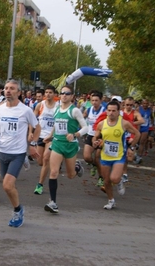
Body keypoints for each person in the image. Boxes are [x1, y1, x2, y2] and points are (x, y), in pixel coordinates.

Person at [0, 79, 40, 227]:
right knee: (8, 186)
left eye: (12, 88)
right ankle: (17, 207)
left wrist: (33, 144)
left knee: (7, 185)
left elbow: (37, 127)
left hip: (17, 153)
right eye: (6, 88)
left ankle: (17, 210)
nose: (8, 90)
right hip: (3, 151)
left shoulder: (25, 110)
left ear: (18, 92)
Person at [43, 85, 88, 214]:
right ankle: (53, 202)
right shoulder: (56, 109)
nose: (64, 95)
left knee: (70, 175)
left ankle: (77, 168)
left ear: (72, 96)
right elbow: (56, 125)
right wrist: (50, 136)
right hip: (57, 143)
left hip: (70, 145)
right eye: (62, 93)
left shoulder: (74, 111)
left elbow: (86, 128)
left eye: (67, 94)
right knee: (53, 172)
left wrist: (75, 134)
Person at [93, 101, 140, 209]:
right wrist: (95, 142)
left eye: (114, 111)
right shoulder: (101, 124)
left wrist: (131, 148)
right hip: (105, 156)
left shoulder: (124, 123)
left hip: (119, 156)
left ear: (119, 112)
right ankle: (111, 201)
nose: (111, 113)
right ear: (106, 111)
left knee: (114, 178)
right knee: (106, 181)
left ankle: (119, 182)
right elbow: (95, 137)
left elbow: (137, 134)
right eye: (109, 110)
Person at [32, 85, 59, 195]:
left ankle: (40, 185)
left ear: (54, 94)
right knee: (40, 162)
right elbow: (32, 119)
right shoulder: (40, 105)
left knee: (46, 158)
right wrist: (30, 132)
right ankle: (53, 164)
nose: (48, 94)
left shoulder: (58, 107)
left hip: (51, 136)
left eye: (50, 92)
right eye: (46, 92)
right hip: (40, 135)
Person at [83, 91, 106, 186]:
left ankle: (101, 178)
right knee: (87, 157)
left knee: (97, 158)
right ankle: (94, 165)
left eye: (96, 100)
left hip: (101, 136)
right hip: (90, 134)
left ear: (101, 100)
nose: (94, 102)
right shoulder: (88, 110)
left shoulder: (105, 111)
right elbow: (80, 118)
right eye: (92, 100)